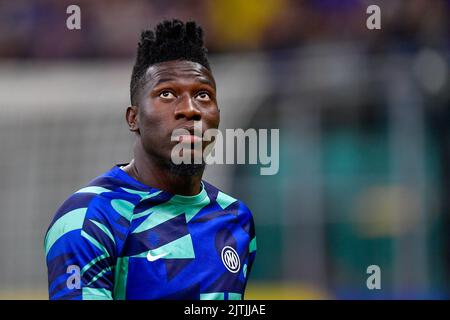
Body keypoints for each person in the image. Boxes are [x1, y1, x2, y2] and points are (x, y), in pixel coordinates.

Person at [44, 19, 257, 300]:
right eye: (167, 94)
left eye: (203, 95)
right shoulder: (90, 218)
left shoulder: (236, 219)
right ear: (134, 119)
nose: (190, 110)